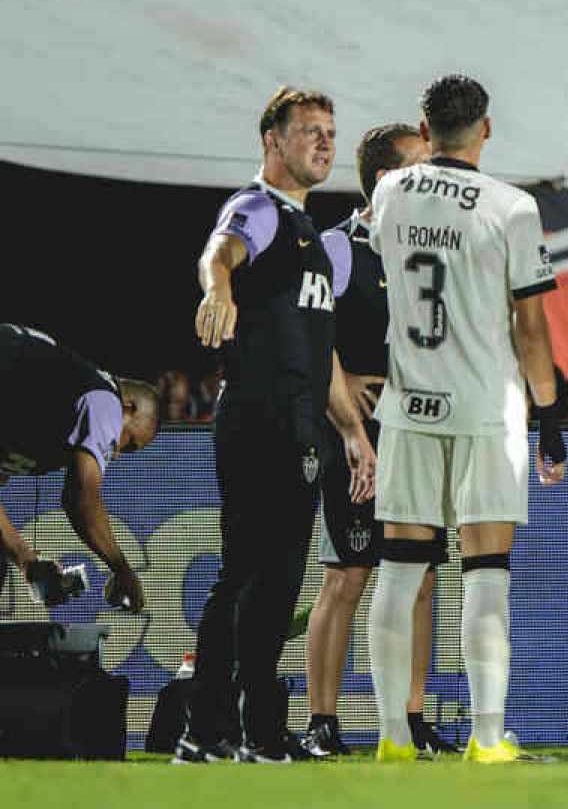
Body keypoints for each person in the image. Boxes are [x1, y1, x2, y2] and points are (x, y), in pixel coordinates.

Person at [363, 74, 564, 765]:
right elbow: (532, 327)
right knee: (486, 571)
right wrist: (551, 414)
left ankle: (392, 735)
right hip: (486, 407)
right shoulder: (512, 206)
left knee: (398, 571)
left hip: (409, 403)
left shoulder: (388, 191)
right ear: (486, 128)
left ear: (425, 129)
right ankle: (486, 735)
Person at [176, 87, 376, 765]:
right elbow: (220, 250)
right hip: (260, 412)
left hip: (298, 417)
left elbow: (318, 358)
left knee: (275, 579)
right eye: (309, 130)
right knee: (248, 576)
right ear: (273, 141)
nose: (324, 141)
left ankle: (247, 728)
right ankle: (213, 728)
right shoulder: (258, 208)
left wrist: (351, 430)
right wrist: (217, 288)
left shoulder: (308, 235)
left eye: (330, 131)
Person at [301, 123, 456, 761]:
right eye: (421, 169)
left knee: (420, 579)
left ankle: (411, 718)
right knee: (349, 572)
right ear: (388, 179)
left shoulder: (435, 250)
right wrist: (350, 407)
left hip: (420, 429)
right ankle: (322, 720)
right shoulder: (337, 247)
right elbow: (314, 335)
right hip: (355, 432)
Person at [0, 325, 157, 614]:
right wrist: (122, 570)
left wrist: (27, 562)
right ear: (129, 408)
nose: (117, 452)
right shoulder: (104, 400)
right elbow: (81, 501)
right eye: (130, 442)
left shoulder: (51, 404)